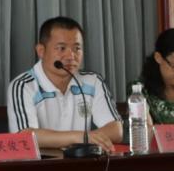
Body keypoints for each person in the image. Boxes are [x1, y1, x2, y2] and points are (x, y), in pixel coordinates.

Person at [8, 16, 122, 152]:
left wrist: (83, 139)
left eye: (77, 48)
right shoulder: (23, 86)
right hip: (42, 163)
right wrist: (80, 138)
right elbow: (24, 136)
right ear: (41, 51)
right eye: (61, 48)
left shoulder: (93, 81)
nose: (71, 56)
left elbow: (116, 130)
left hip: (83, 161)